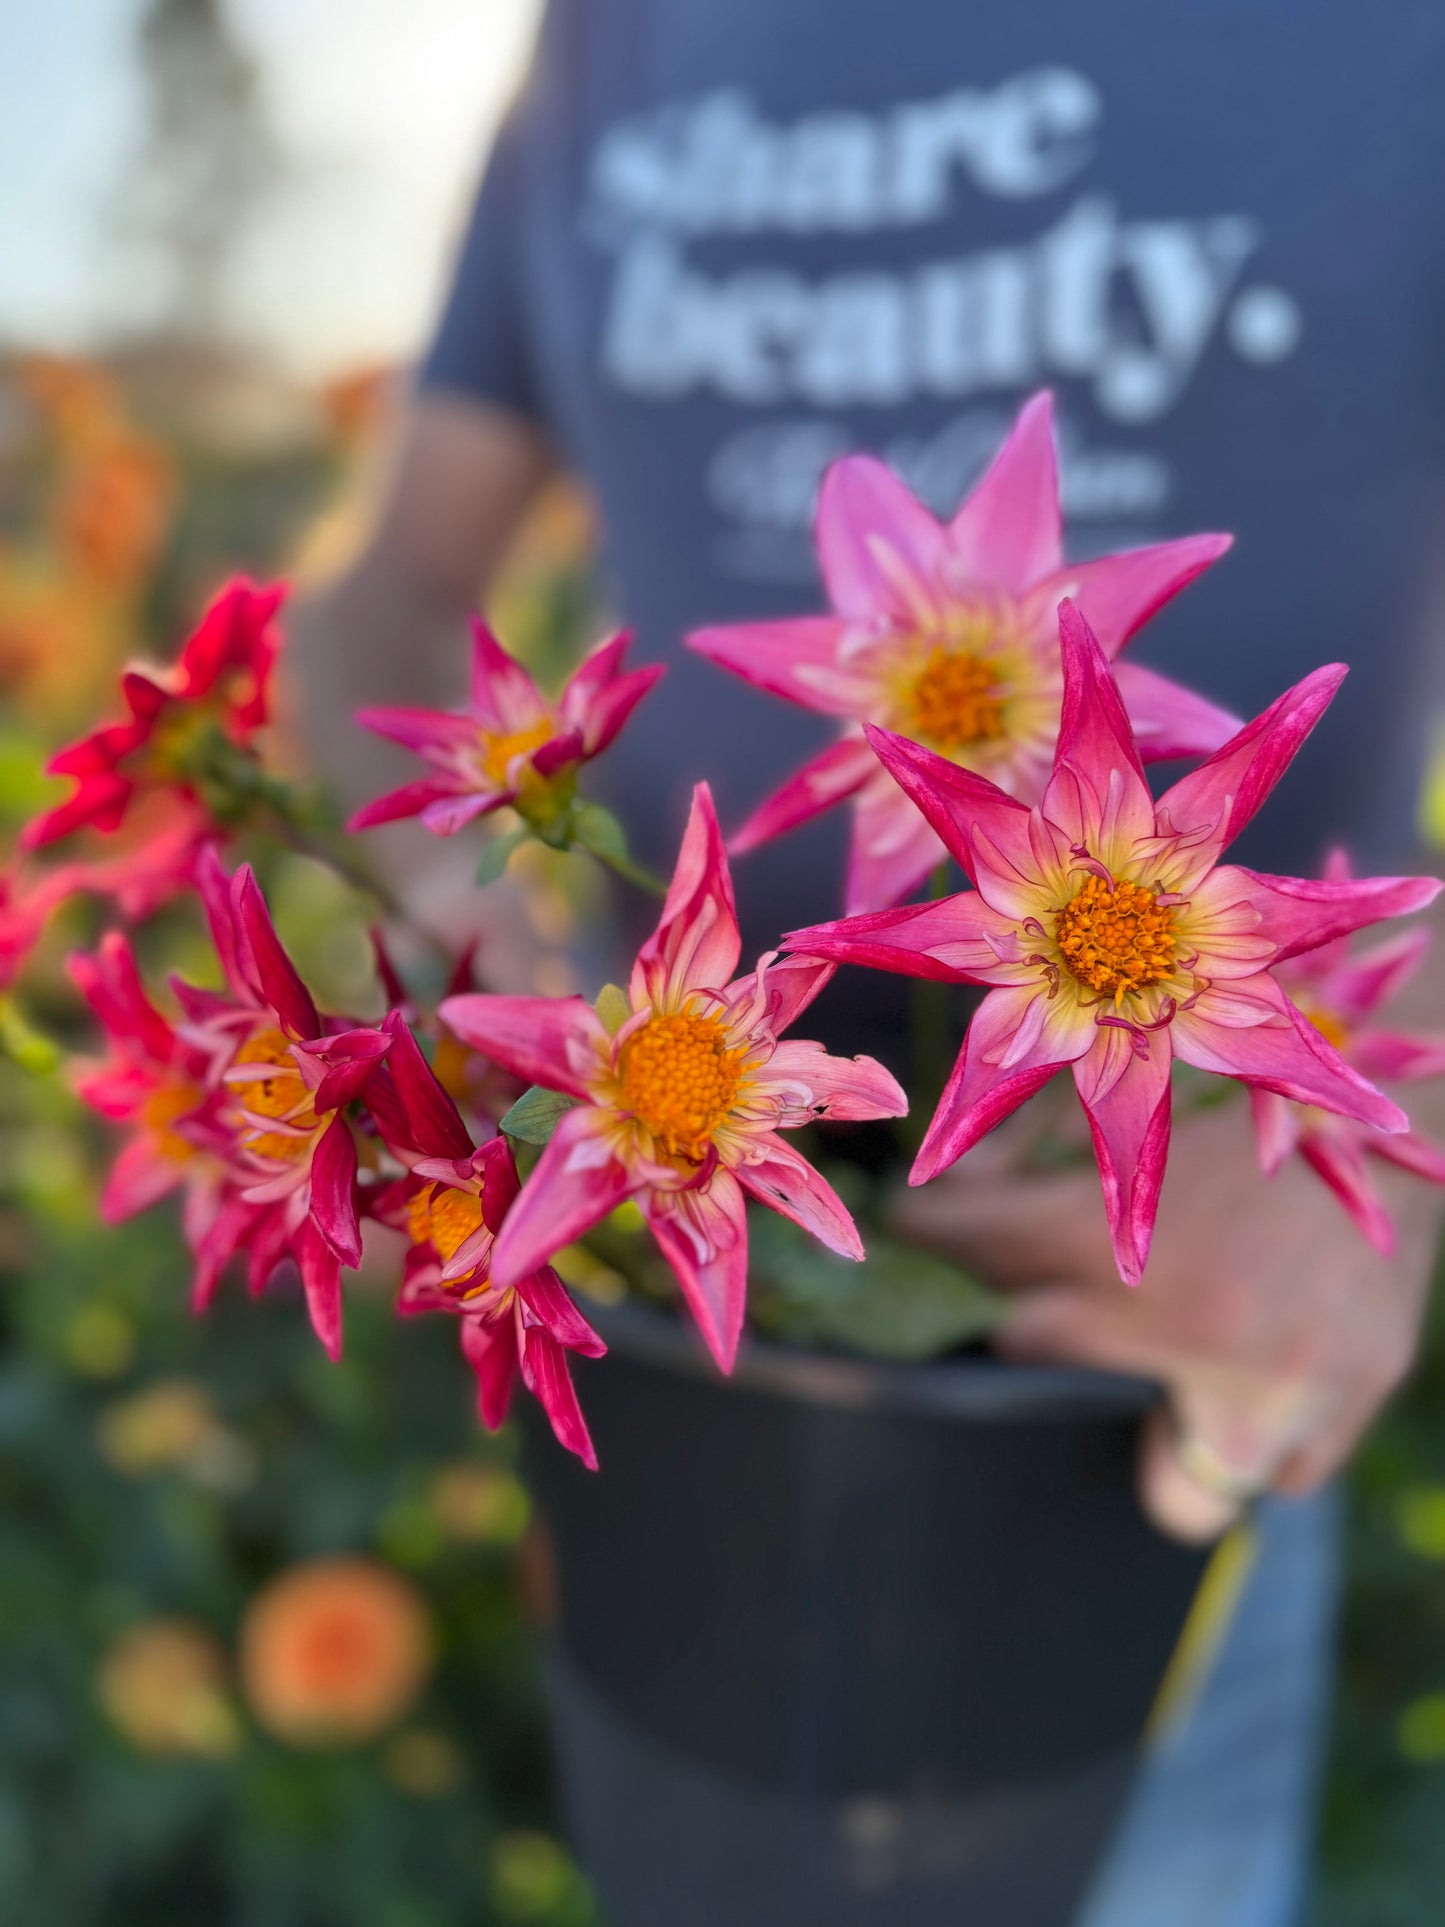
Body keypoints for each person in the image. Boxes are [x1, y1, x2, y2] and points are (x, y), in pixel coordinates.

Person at [296, 4, 1445, 1920]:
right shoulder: (607, 41)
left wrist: (1406, 1102)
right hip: (668, 1251)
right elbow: (395, 584)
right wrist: (406, 943)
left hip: (1198, 1319)